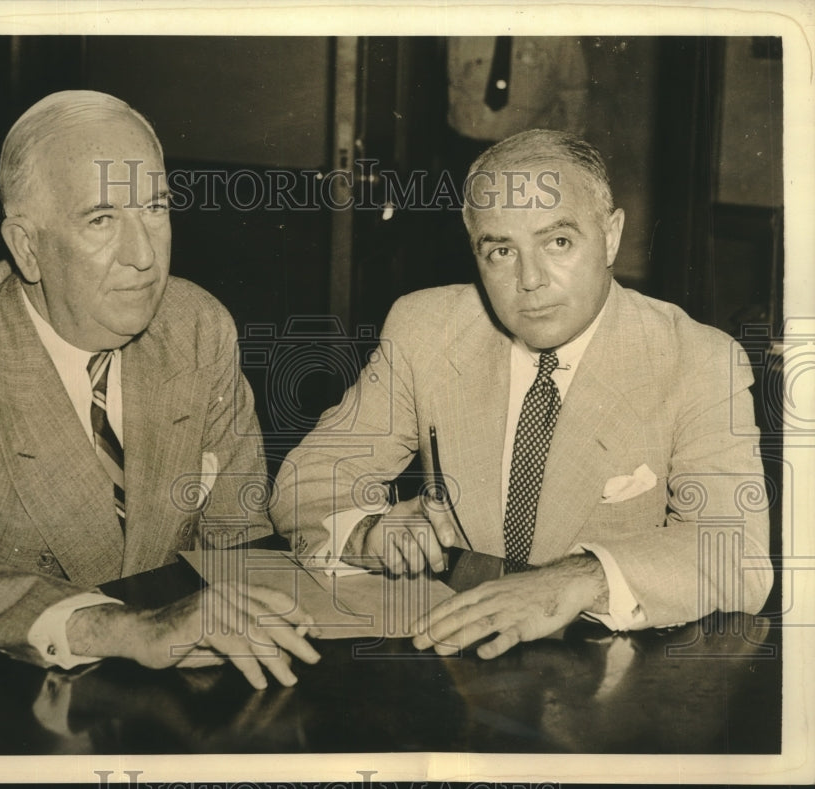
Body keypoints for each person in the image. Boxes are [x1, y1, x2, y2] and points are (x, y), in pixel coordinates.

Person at [0, 90, 320, 689]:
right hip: (8, 703)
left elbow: (240, 538)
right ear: (28, 247)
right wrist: (126, 630)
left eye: (155, 208)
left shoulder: (197, 326)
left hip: (176, 697)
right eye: (102, 220)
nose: (144, 255)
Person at [272, 129, 773, 658]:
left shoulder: (699, 360)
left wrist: (577, 579)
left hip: (599, 672)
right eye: (501, 251)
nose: (529, 279)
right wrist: (368, 532)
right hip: (453, 658)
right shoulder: (425, 328)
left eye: (558, 242)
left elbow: (735, 552)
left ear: (611, 236)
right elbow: (306, 480)